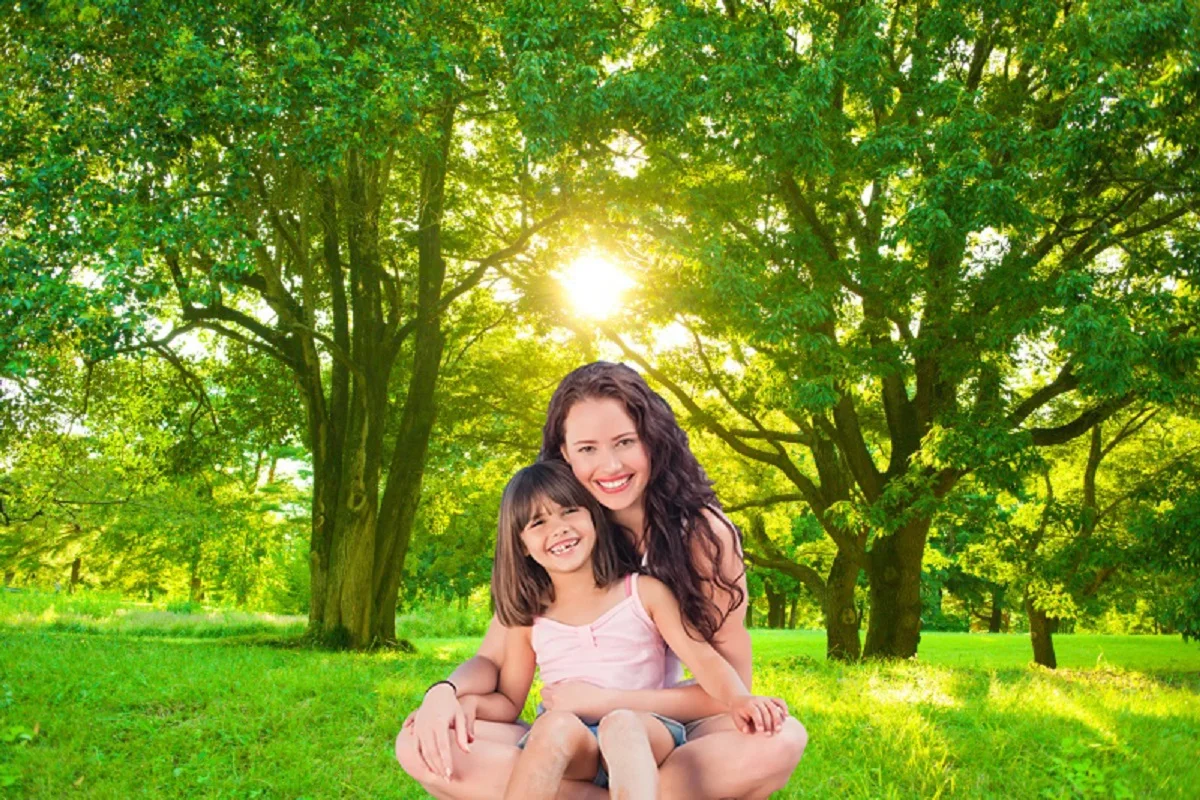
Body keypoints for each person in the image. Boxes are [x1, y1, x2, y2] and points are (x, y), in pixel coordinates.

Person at [397, 362, 808, 799]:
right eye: (588, 448)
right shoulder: (556, 541)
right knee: (419, 742)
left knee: (779, 739)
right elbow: (495, 663)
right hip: (570, 736)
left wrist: (603, 701)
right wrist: (444, 693)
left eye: (625, 442)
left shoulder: (701, 539)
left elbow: (728, 688)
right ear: (564, 452)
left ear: (653, 440)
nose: (610, 465)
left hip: (663, 730)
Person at [489, 461, 788, 799]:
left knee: (622, 724)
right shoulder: (530, 618)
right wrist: (456, 703)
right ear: (522, 545)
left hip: (646, 729)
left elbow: (702, 658)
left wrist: (739, 698)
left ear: (593, 517)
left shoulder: (642, 593)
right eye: (538, 522)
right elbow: (508, 700)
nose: (558, 528)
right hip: (577, 743)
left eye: (569, 511)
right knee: (551, 728)